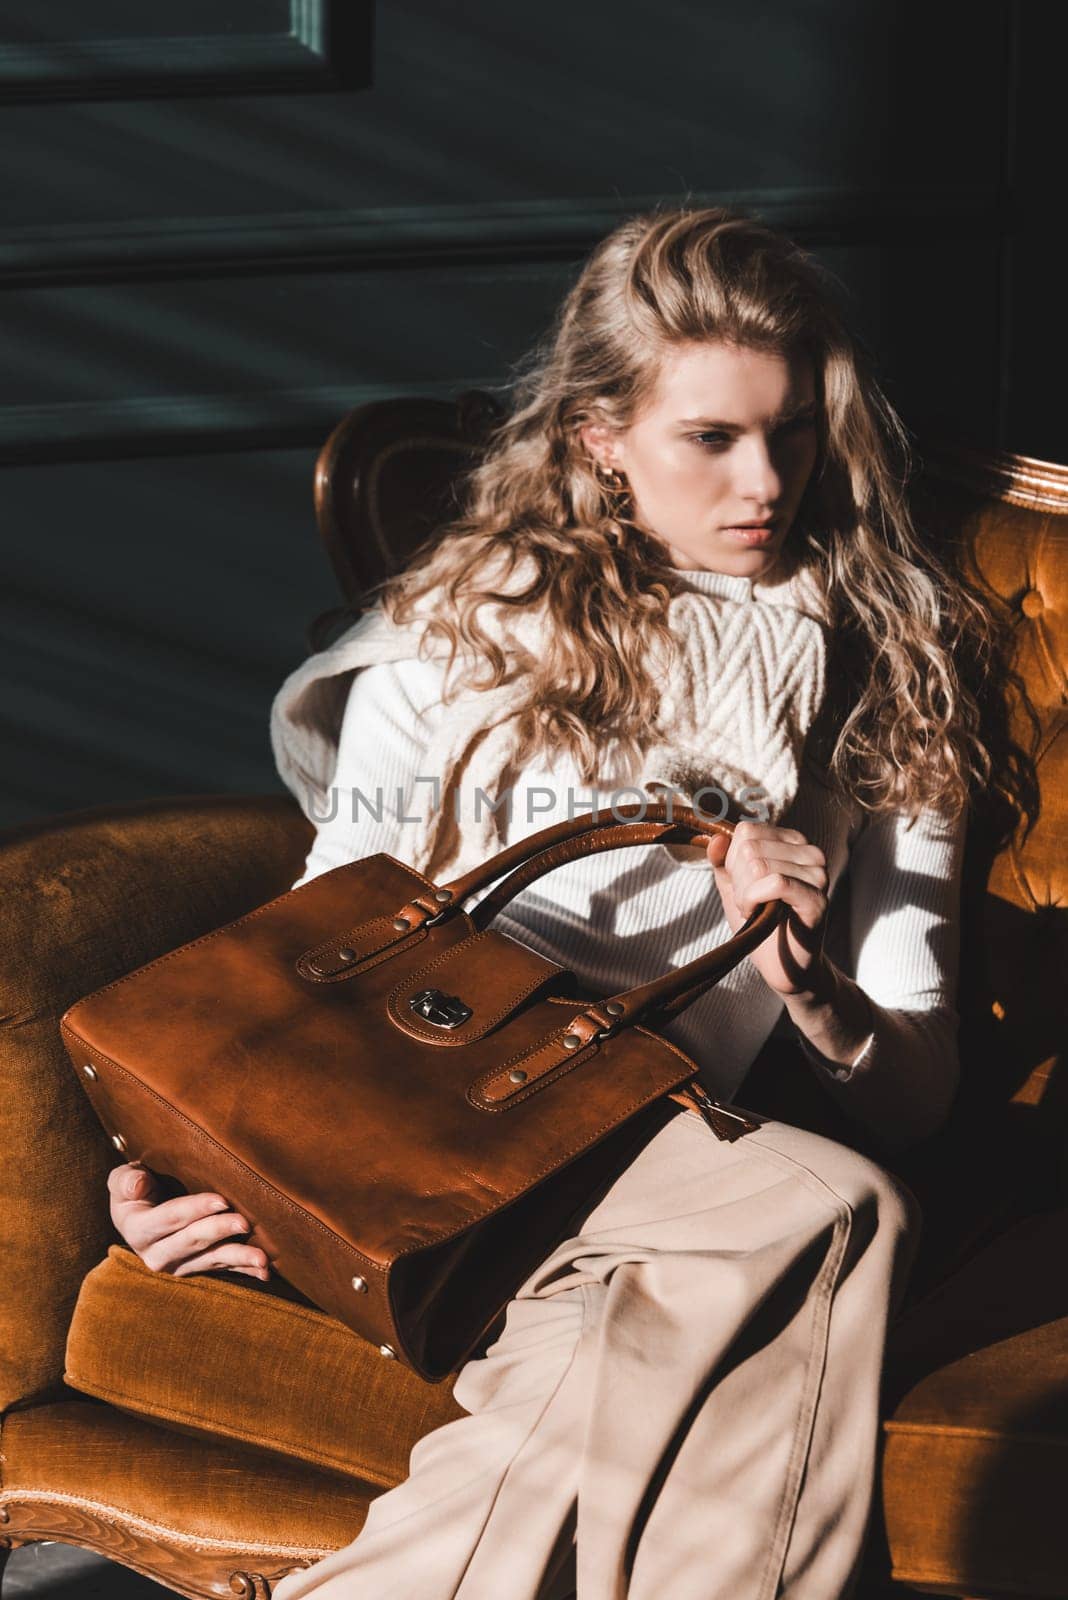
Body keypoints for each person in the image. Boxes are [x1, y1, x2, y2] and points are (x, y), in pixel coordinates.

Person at [106, 205, 1011, 1599]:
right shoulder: (468, 625)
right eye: (709, 438)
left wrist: (808, 988)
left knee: (767, 1236)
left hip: (671, 1152)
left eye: (791, 431)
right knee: (828, 1211)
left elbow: (915, 1089)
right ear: (599, 436)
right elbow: (320, 931)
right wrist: (189, 1171)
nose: (764, 480)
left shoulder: (889, 670)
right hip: (448, 1141)